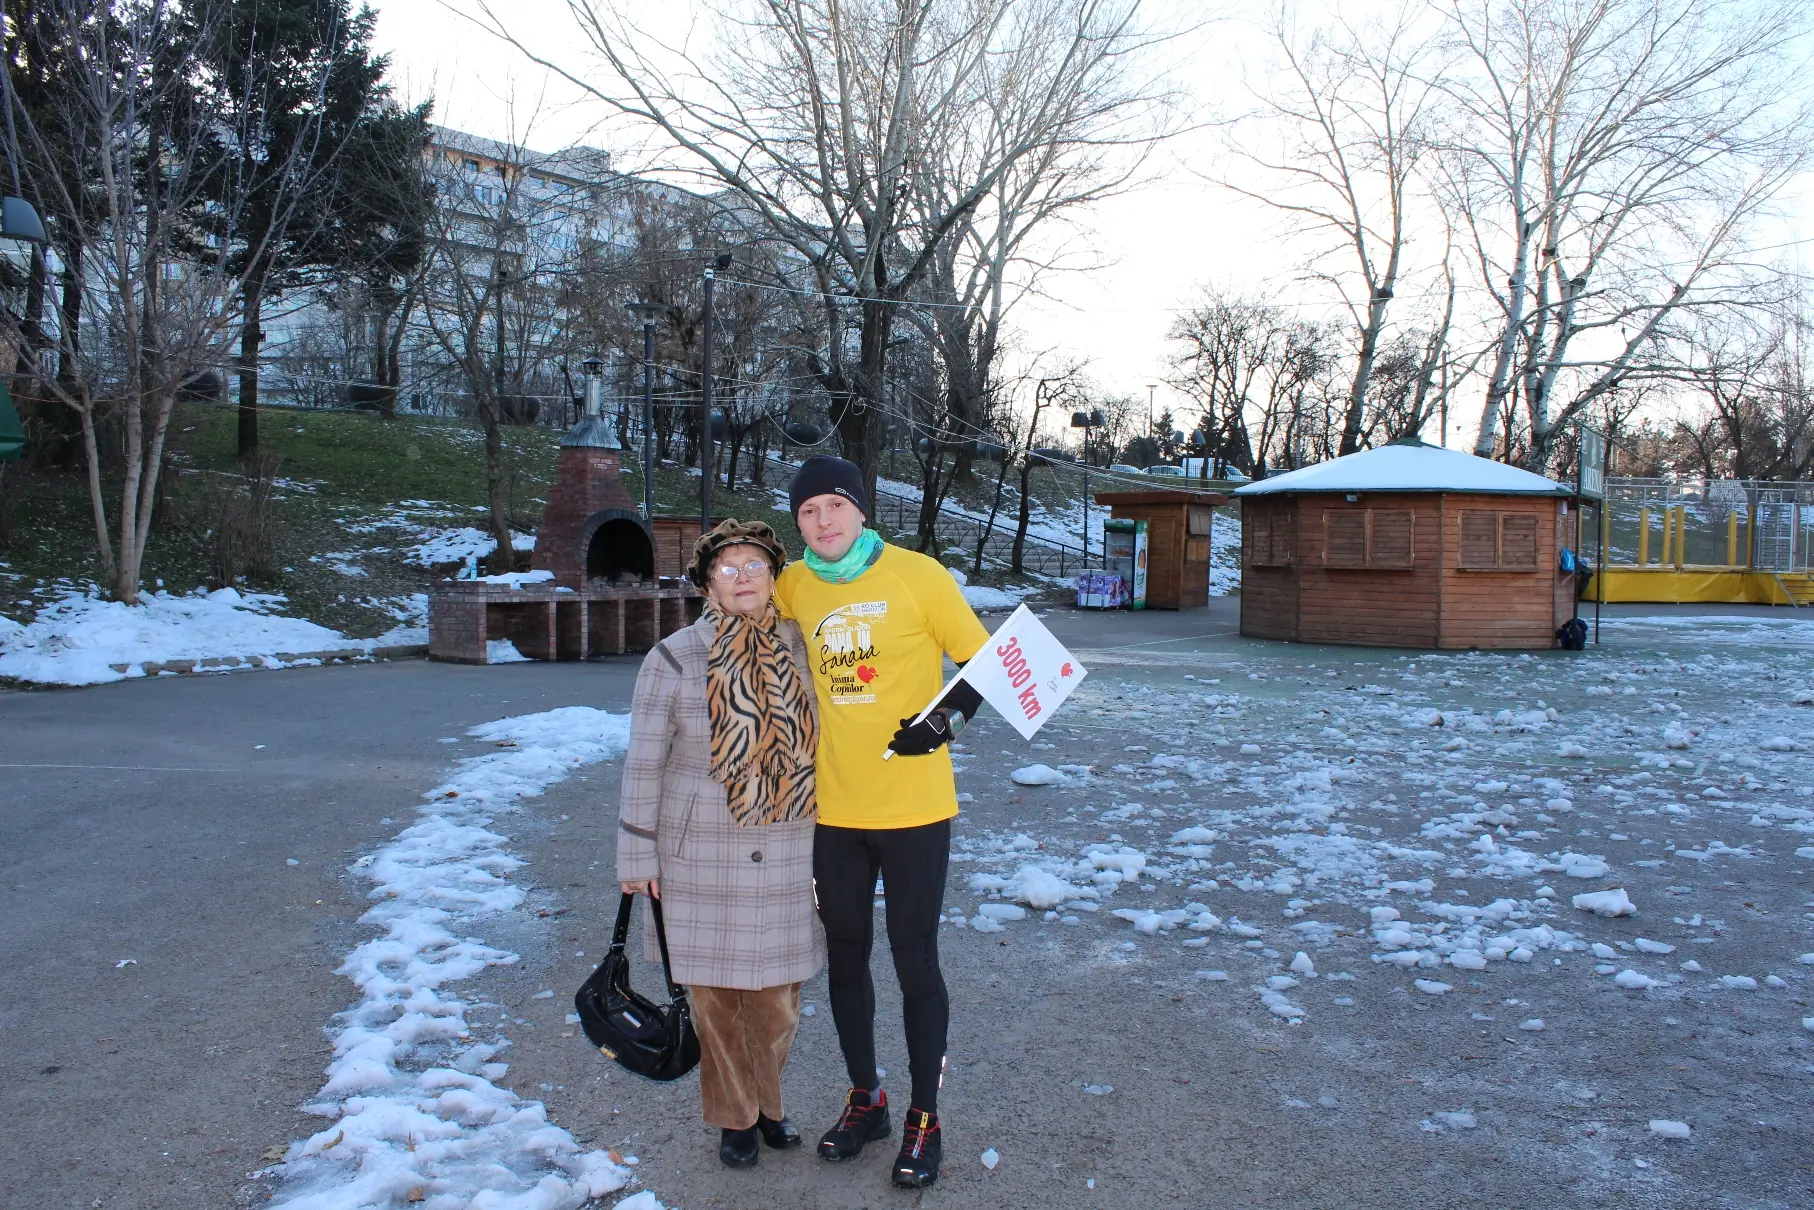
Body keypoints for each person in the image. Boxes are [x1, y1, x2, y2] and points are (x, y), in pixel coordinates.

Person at [773, 454, 989, 1189]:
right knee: (845, 955)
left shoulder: (917, 576)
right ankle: (866, 1099)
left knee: (914, 958)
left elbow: (984, 662)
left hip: (914, 810)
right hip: (834, 811)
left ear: (861, 509)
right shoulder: (794, 585)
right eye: (808, 511)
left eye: (834, 505)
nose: (822, 521)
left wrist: (943, 723)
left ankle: (926, 1118)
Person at [617, 519, 823, 1169]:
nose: (742, 578)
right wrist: (636, 854)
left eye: (754, 565)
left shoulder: (806, 646)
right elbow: (643, 763)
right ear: (707, 584)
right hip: (698, 852)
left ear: (775, 577)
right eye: (727, 568)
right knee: (713, 1002)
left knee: (777, 1002)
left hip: (790, 845)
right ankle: (739, 1117)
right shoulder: (673, 657)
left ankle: (768, 1100)